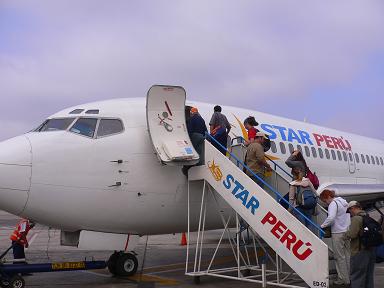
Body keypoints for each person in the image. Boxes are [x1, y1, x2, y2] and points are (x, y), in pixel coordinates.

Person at [320, 190, 351, 287]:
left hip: (338, 232)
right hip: (347, 231)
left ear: (328, 196)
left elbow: (331, 218)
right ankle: (349, 277)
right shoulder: (343, 202)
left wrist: (322, 226)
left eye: (325, 200)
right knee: (348, 256)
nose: (326, 202)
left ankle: (343, 279)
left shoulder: (333, 204)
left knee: (339, 257)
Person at [345, 201, 376, 288]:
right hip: (370, 250)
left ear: (353, 208)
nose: (350, 213)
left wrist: (344, 234)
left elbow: (352, 234)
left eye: (350, 210)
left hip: (359, 251)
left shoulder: (356, 219)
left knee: (357, 276)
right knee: (368, 276)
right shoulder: (367, 216)